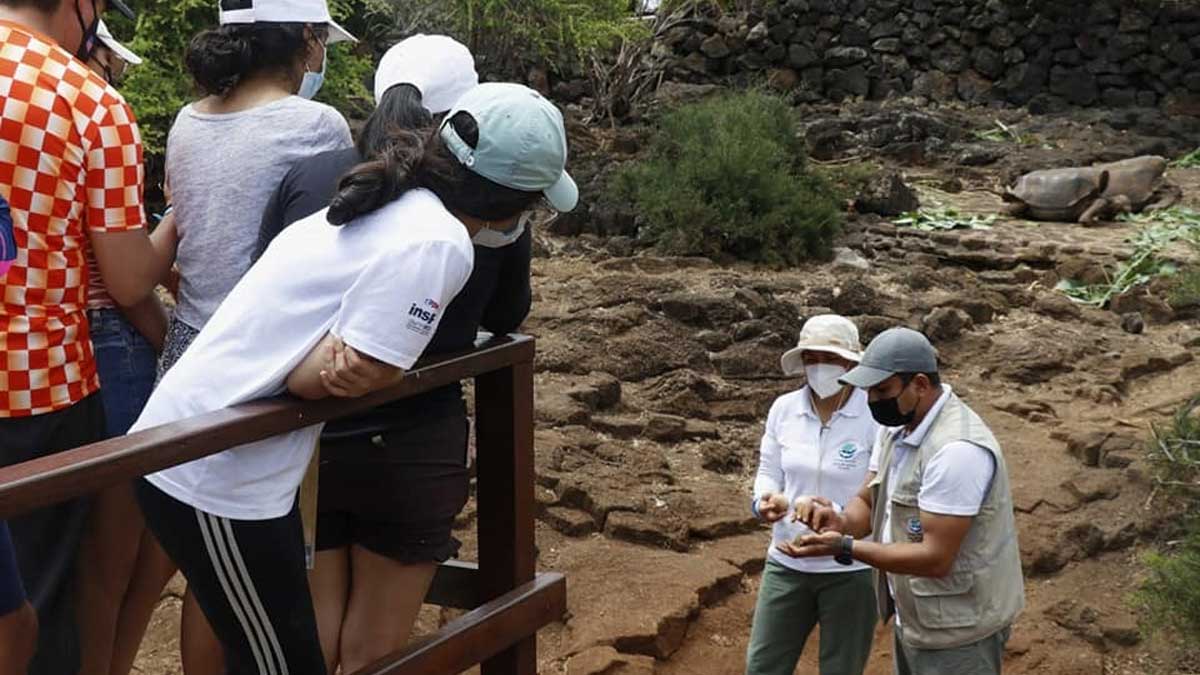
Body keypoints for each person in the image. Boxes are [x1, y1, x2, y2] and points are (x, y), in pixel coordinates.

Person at [129, 81, 577, 675]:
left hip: (211, 450)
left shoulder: (392, 197)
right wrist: (342, 363)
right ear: (513, 204)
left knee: (281, 654)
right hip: (212, 472)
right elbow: (342, 375)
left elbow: (350, 364)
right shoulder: (439, 243)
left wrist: (344, 362)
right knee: (281, 664)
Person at [252, 35, 533, 672]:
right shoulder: (484, 194)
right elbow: (504, 314)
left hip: (309, 434)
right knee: (379, 651)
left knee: (314, 642)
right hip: (415, 439)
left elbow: (271, 286)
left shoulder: (314, 174)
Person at [110, 2, 358, 671]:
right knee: (261, 552)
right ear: (306, 39)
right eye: (320, 39)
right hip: (263, 366)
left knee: (203, 566)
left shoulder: (190, 122)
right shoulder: (319, 126)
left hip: (186, 350)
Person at [0, 0, 179, 672]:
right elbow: (129, 279)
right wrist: (176, 227)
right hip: (38, 389)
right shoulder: (88, 100)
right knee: (41, 607)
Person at [790, 328, 1025, 675]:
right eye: (868, 390)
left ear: (919, 384)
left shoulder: (956, 450)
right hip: (918, 616)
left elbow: (935, 558)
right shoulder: (897, 427)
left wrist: (845, 547)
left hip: (960, 631)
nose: (872, 400)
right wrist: (838, 519)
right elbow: (869, 501)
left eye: (882, 390)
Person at [72, 21, 176, 675]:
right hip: (117, 340)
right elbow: (127, 278)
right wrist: (176, 229)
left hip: (64, 343)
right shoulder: (97, 116)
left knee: (123, 550)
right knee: (117, 552)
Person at [746, 315, 879, 675]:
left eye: (830, 358)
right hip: (787, 561)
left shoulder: (873, 414)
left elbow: (876, 488)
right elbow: (769, 470)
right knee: (763, 666)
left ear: (851, 362)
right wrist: (764, 501)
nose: (820, 367)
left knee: (841, 668)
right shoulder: (784, 409)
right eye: (811, 358)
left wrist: (836, 514)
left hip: (850, 567)